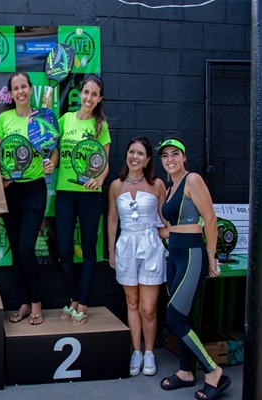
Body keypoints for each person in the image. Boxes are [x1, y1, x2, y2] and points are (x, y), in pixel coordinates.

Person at [157, 138, 231, 399]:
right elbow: (170, 229)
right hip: (174, 254)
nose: (170, 159)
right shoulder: (170, 187)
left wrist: (212, 258)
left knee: (174, 318)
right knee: (183, 317)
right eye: (165, 156)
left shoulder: (193, 180)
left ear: (184, 157)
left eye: (175, 154)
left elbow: (210, 220)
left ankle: (212, 371)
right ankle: (185, 372)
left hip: (191, 254)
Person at [0, 72, 58, 325]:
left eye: (24, 87)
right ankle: (23, 302)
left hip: (34, 190)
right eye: (15, 88)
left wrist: (51, 164)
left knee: (25, 248)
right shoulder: (4, 119)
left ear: (31, 89)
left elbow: (53, 152)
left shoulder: (42, 116)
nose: (20, 91)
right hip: (10, 190)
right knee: (16, 253)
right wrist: (0, 178)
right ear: (10, 93)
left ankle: (36, 302)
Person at [107, 135, 167, 377]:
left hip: (151, 246)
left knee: (148, 308)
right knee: (131, 303)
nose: (135, 157)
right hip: (126, 247)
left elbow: (165, 220)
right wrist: (111, 250)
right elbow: (112, 219)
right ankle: (136, 351)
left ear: (148, 159)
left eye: (140, 153)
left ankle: (149, 351)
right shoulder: (116, 185)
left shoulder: (157, 185)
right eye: (132, 152)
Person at [55, 74, 111, 326]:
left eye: (94, 94)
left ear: (100, 99)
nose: (89, 98)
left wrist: (99, 179)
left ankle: (84, 302)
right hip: (65, 192)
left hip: (90, 194)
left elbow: (105, 163)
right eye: (86, 92)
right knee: (65, 250)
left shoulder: (101, 126)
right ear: (80, 94)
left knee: (89, 250)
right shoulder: (65, 120)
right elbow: (53, 150)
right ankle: (73, 296)